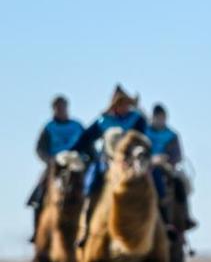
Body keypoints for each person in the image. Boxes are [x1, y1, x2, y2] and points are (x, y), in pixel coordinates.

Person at [73, 85, 149, 244]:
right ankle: (86, 228)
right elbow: (85, 140)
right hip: (106, 161)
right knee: (92, 182)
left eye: (126, 103)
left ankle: (164, 223)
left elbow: (144, 139)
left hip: (131, 163)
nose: (124, 106)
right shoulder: (103, 120)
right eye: (120, 103)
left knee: (154, 180)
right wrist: (77, 153)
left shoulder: (137, 119)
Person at [27, 95, 84, 241]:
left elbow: (87, 145)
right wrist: (50, 161)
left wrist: (86, 158)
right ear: (54, 109)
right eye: (58, 107)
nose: (61, 110)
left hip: (76, 165)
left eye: (63, 107)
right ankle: (37, 230)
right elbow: (40, 149)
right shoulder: (49, 127)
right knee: (41, 191)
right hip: (56, 166)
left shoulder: (77, 126)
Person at [146, 103, 197, 231]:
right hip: (146, 166)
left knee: (181, 182)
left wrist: (167, 160)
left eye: (162, 117)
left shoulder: (171, 135)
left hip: (166, 167)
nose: (159, 120)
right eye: (157, 117)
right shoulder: (144, 132)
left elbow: (178, 155)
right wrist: (151, 160)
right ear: (152, 117)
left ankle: (186, 216)